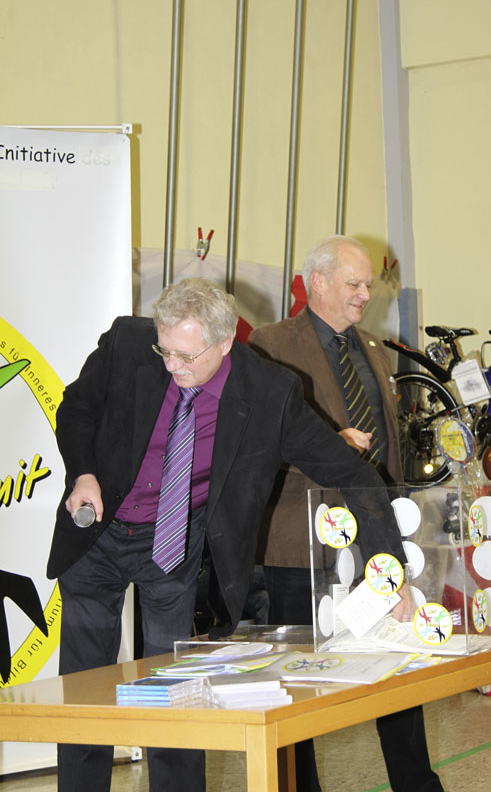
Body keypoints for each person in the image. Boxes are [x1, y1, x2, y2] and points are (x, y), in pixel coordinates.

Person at [47, 276, 408, 792]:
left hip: (172, 547)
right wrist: (82, 473)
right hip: (99, 533)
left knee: (176, 695)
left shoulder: (269, 391)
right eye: (165, 350)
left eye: (185, 356)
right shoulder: (128, 342)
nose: (171, 365)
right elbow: (75, 407)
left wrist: (389, 572)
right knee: (85, 693)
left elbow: (351, 472)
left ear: (223, 343)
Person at [249, 235, 444, 792]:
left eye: (368, 285)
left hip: (376, 533)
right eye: (354, 283)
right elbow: (257, 440)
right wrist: (327, 444)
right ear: (318, 282)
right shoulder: (270, 344)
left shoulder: (375, 349)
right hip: (302, 538)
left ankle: (416, 784)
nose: (364, 295)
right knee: (299, 681)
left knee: (397, 664)